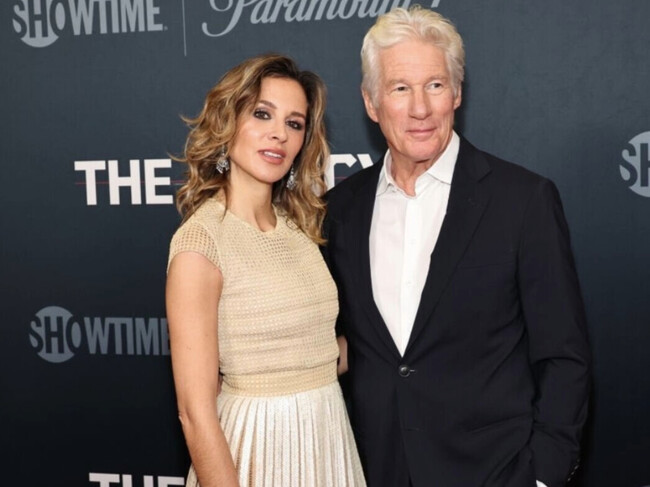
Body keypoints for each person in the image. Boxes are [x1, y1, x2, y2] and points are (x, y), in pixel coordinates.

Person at [323, 6, 591, 487]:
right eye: (400, 88)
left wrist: (543, 474)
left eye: (435, 85)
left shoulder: (522, 200)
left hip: (494, 470)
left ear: (457, 93)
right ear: (370, 101)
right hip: (374, 468)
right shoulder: (339, 210)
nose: (420, 109)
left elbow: (563, 356)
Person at [166, 54, 365, 487]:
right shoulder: (202, 241)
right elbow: (195, 414)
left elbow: (316, 356)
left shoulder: (298, 229)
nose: (279, 133)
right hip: (257, 446)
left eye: (294, 123)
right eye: (262, 114)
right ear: (228, 121)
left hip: (325, 437)